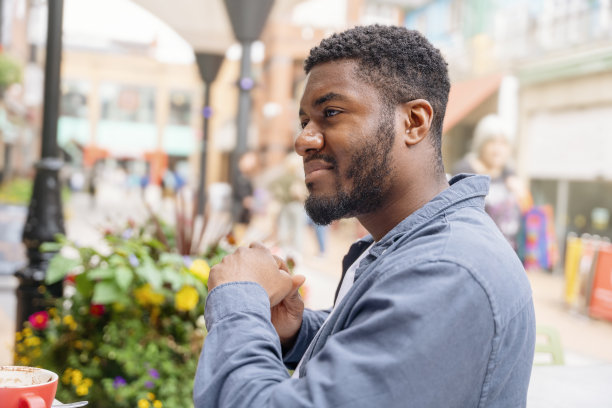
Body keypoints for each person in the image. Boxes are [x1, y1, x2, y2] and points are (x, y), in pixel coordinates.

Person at [194, 25, 535, 407]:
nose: (303, 140)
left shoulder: (447, 270)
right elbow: (386, 343)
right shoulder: (414, 245)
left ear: (415, 122)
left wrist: (238, 297)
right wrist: (298, 333)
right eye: (305, 120)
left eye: (332, 113)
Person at [453, 114, 529, 251]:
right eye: (492, 142)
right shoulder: (465, 171)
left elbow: (527, 210)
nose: (497, 150)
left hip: (508, 252)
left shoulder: (509, 173)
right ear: (481, 144)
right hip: (476, 251)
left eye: (503, 143)